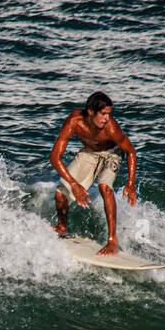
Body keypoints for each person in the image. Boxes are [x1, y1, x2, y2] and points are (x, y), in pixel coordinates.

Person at [49, 92, 137, 255]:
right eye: (103, 114)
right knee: (61, 193)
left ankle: (112, 241)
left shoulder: (111, 128)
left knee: (105, 187)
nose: (106, 118)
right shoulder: (74, 122)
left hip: (112, 153)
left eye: (109, 114)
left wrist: (130, 183)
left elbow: (130, 151)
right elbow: (54, 157)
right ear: (90, 111)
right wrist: (74, 184)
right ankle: (62, 227)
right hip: (89, 153)